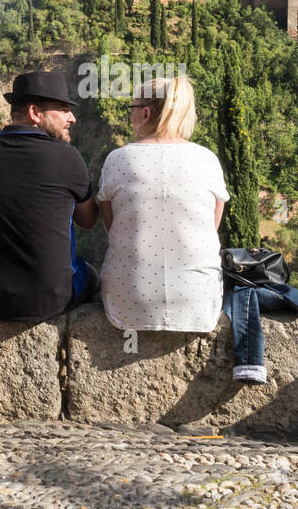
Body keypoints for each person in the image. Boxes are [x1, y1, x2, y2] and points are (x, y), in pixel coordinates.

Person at [97, 76, 229, 333]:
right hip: (198, 305)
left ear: (145, 113)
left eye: (132, 109)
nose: (130, 116)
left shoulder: (118, 159)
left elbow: (113, 228)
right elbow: (211, 228)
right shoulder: (207, 159)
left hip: (127, 304)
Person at [0, 70, 99, 321]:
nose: (72, 118)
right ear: (35, 113)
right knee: (89, 273)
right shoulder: (66, 156)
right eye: (63, 109)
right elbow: (88, 220)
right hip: (51, 300)